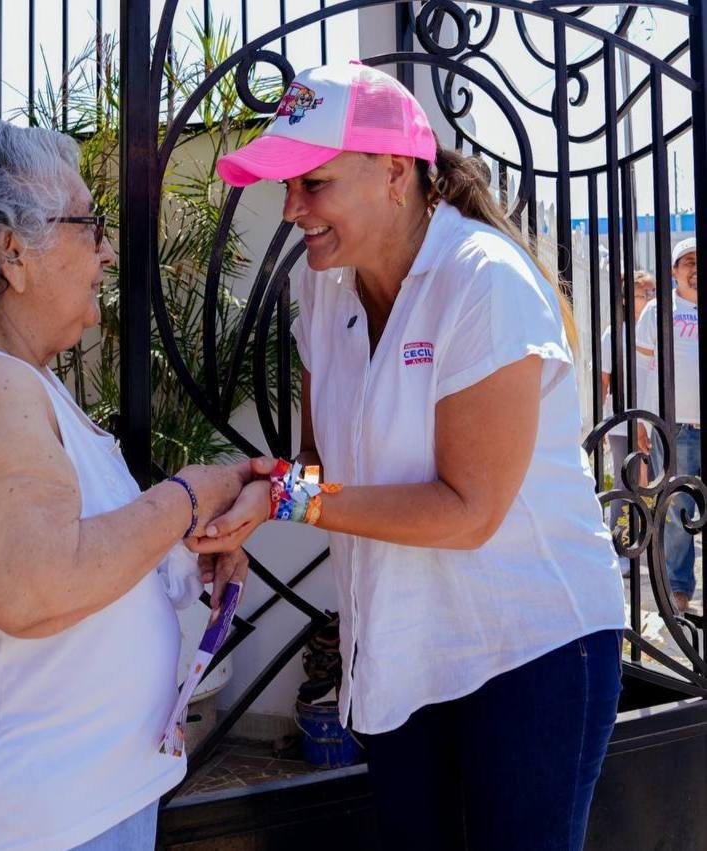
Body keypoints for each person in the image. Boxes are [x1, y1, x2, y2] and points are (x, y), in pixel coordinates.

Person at [194, 62, 626, 850]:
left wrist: (287, 497)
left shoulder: (482, 280)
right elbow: (320, 468)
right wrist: (250, 507)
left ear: (394, 173)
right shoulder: (323, 288)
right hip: (400, 651)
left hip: (530, 651)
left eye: (313, 183)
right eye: (287, 185)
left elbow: (468, 512)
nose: (291, 209)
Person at [0, 119, 250, 851]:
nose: (106, 251)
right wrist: (186, 497)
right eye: (89, 225)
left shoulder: (2, 371)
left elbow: (58, 545)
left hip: (54, 803)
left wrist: (179, 540)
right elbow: (33, 586)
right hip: (24, 817)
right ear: (11, 252)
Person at [636, 237, 699, 613]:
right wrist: (643, 422)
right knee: (676, 511)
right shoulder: (658, 310)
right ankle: (678, 588)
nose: (695, 268)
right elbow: (645, 370)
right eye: (688, 261)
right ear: (674, 271)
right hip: (675, 427)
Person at [600, 270, 655, 576]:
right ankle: (620, 546)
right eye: (640, 294)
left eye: (651, 293)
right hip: (622, 421)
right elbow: (603, 381)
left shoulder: (659, 328)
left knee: (655, 483)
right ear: (624, 299)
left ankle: (650, 545)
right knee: (624, 485)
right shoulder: (614, 333)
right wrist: (602, 423)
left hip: (655, 418)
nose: (647, 299)